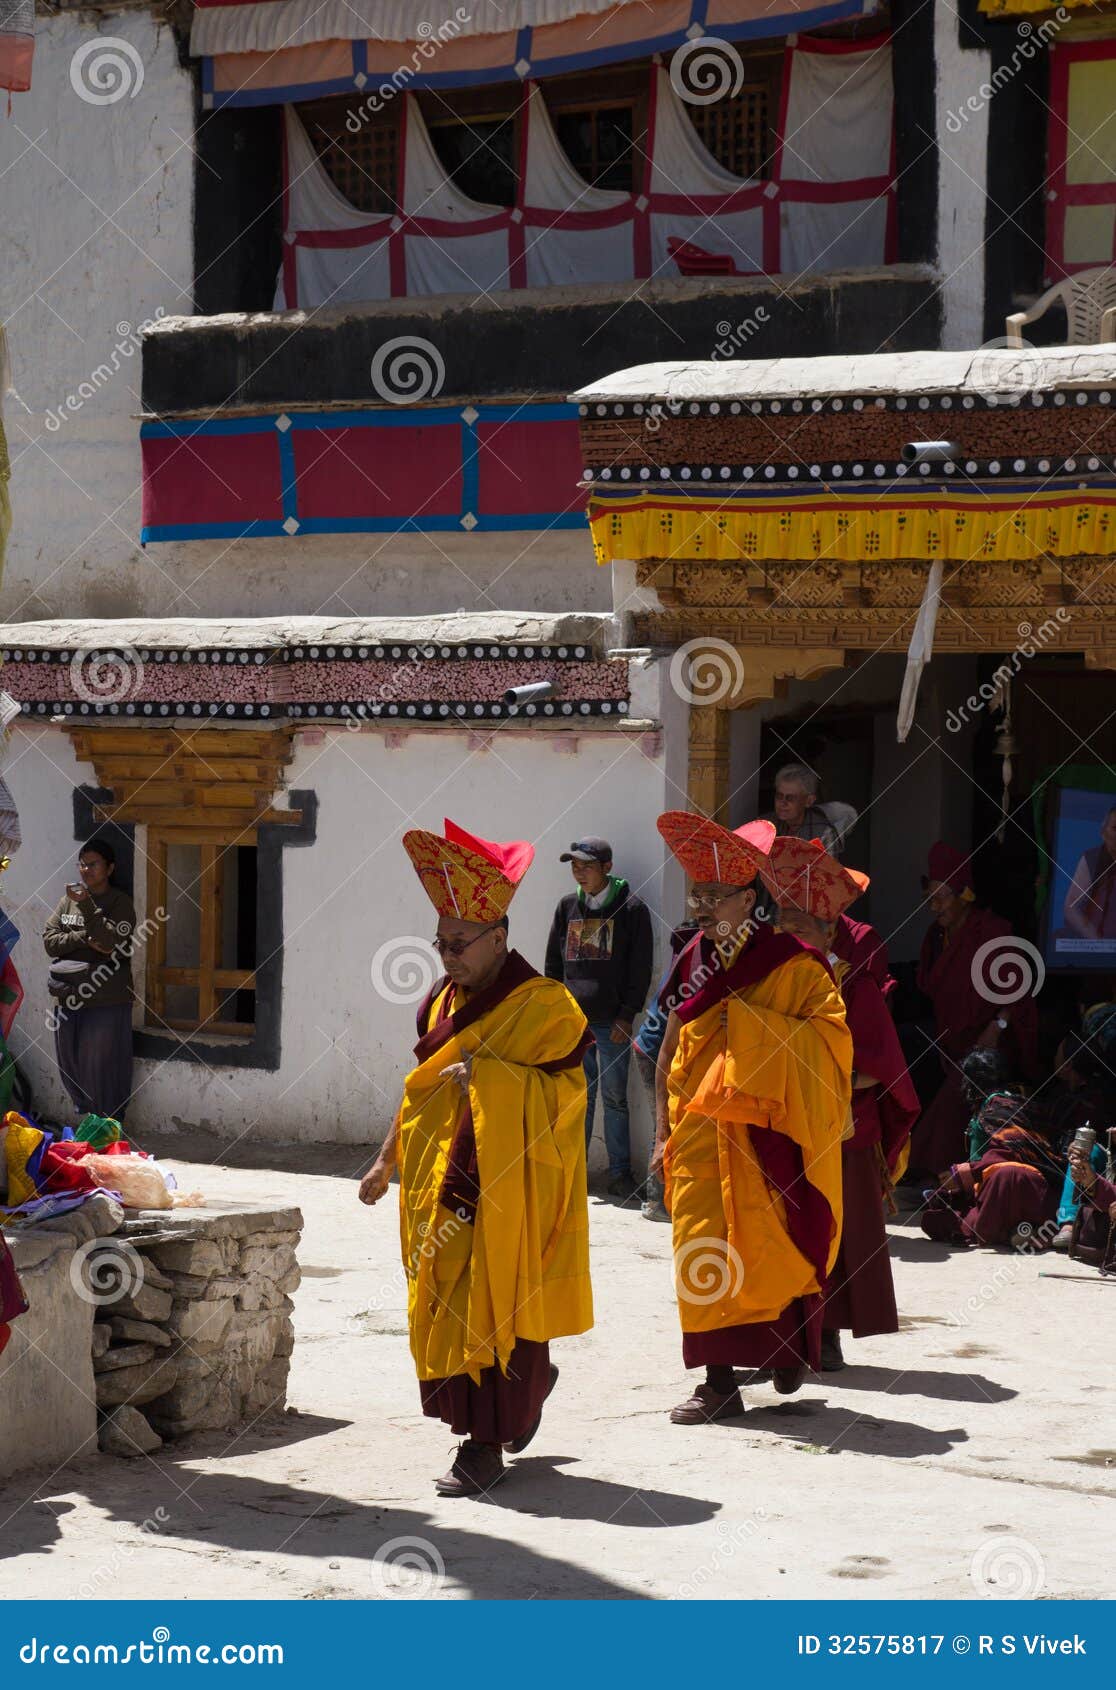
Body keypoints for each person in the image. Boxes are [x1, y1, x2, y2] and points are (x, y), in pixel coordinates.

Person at [359, 818, 593, 1498]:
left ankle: (484, 1445)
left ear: (499, 938)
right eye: (441, 942)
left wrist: (492, 1082)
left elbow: (567, 1094)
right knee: (445, 1298)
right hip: (441, 1183)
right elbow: (420, 1094)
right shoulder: (439, 999)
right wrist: (386, 1160)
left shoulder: (545, 1005)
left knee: (497, 1304)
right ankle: (514, 1402)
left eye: (460, 944)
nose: (447, 956)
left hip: (508, 1188)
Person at [651, 812, 852, 1423]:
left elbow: (830, 1042)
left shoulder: (793, 962)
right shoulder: (692, 958)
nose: (706, 909)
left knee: (776, 1242)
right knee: (703, 1246)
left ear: (750, 898)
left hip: (769, 1135)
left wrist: (749, 1031)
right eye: (698, 896)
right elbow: (670, 1041)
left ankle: (786, 1349)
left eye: (717, 897)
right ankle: (718, 1383)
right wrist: (661, 1130)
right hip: (699, 1132)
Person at [762, 838, 919, 1372]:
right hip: (779, 1124)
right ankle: (779, 1338)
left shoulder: (855, 984)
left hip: (842, 1129)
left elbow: (881, 1068)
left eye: (801, 924)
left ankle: (825, 1336)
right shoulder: (768, 983)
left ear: (830, 932)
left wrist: (817, 1084)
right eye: (781, 921)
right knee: (778, 1229)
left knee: (836, 1233)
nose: (788, 933)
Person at [907, 842, 1037, 1178]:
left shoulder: (992, 932)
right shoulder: (936, 937)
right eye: (930, 898)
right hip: (950, 1042)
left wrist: (999, 1027)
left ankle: (934, 1171)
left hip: (988, 1041)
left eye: (941, 897)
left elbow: (1020, 990)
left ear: (964, 895)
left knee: (951, 1106)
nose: (934, 906)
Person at [545, 837, 653, 1203]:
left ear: (607, 867)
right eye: (574, 866)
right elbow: (553, 964)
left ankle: (620, 1172)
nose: (579, 872)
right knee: (579, 1097)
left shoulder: (631, 909)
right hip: (573, 1023)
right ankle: (575, 1168)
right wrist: (557, 1012)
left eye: (586, 866)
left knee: (614, 1097)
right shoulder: (566, 907)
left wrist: (627, 1015)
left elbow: (640, 967)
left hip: (612, 1023)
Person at [43, 838, 135, 1123]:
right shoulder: (67, 901)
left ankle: (109, 1125)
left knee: (102, 1065)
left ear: (109, 868)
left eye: (93, 864)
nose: (85, 870)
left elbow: (108, 942)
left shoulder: (119, 903)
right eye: (82, 864)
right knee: (71, 1063)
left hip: (105, 998)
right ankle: (89, 1123)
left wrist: (87, 909)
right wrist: (84, 937)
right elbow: (50, 941)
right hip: (69, 996)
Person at [631, 920, 699, 1222]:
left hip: (648, 1048)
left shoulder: (681, 965)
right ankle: (657, 1202)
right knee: (663, 1125)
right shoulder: (692, 972)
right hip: (655, 1054)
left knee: (662, 1124)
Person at [762, 763, 841, 855]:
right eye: (779, 796)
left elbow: (829, 869)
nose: (783, 802)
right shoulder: (763, 825)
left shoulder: (824, 832)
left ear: (809, 801)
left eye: (790, 798)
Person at [1063, 808, 1116, 939]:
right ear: (1103, 833)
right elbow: (1071, 908)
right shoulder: (1092, 858)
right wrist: (1096, 941)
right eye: (1115, 828)